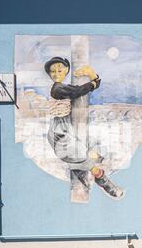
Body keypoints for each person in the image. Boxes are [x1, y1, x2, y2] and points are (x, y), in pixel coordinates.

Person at [45, 56, 124, 199]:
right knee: (79, 154)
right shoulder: (57, 88)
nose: (56, 73)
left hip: (70, 125)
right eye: (53, 71)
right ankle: (106, 184)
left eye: (59, 70)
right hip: (60, 129)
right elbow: (78, 91)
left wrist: (94, 77)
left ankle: (86, 177)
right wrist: (93, 81)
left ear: (67, 70)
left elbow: (79, 89)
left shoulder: (65, 87)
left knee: (91, 148)